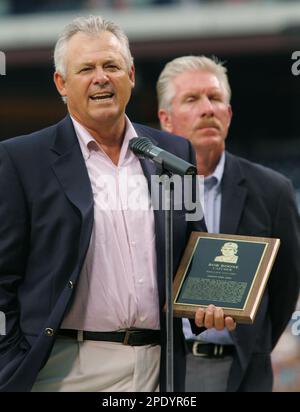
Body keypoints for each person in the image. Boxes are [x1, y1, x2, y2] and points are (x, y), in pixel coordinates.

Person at [0, 17, 235, 392]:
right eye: (86, 69)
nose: (101, 78)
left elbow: (194, 247)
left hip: (161, 366)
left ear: (130, 73)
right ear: (62, 83)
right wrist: (13, 357)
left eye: (111, 66)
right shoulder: (21, 159)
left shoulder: (172, 152)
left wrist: (212, 305)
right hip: (67, 367)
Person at [157, 55, 300, 392]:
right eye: (192, 99)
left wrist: (250, 330)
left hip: (244, 370)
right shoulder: (144, 187)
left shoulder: (272, 190)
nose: (207, 108)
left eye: (215, 98)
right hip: (163, 369)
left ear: (229, 114)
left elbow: (285, 287)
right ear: (166, 119)